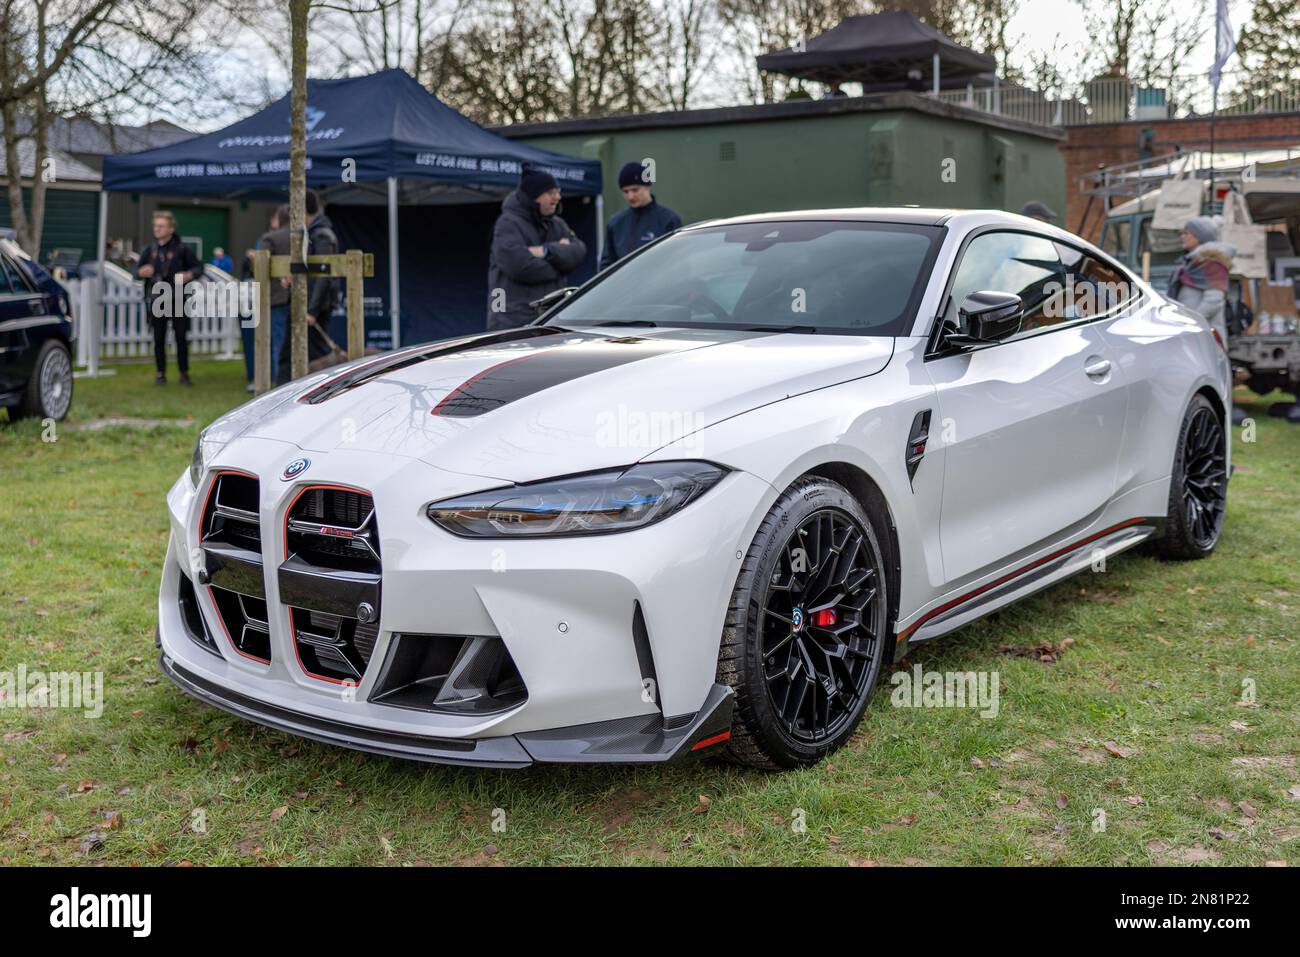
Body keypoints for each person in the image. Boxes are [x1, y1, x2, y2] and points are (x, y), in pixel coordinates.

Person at [486, 167, 587, 330]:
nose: (557, 197)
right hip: (512, 320)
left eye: (558, 192)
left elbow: (579, 252)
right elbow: (519, 266)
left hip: (550, 316)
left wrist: (546, 251)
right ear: (533, 197)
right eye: (551, 193)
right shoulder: (507, 224)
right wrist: (560, 266)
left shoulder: (556, 223)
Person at [134, 210, 203, 386]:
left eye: (161, 226)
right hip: (158, 298)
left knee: (181, 337)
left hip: (178, 298)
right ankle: (160, 373)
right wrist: (141, 272)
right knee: (158, 338)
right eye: (155, 226)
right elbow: (136, 271)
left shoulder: (182, 249)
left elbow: (199, 268)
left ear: (171, 229)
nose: (157, 229)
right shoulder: (150, 250)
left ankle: (184, 373)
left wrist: (188, 274)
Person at [277, 191, 338, 384]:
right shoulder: (310, 234)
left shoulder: (321, 235)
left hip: (312, 309)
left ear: (302, 210)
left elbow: (323, 276)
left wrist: (312, 310)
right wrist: (293, 278)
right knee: (291, 356)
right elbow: (311, 272)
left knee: (316, 359)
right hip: (305, 304)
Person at [598, 161, 683, 271]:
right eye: (625, 191)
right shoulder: (616, 223)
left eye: (635, 190)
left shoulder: (669, 220)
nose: (630, 196)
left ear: (647, 187)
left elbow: (677, 260)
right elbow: (607, 265)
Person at [1168, 215, 1235, 341]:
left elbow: (1214, 300)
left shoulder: (1212, 262)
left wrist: (1193, 323)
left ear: (1200, 236)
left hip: (1205, 335)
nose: (1183, 236)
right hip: (1192, 333)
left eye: (1187, 233)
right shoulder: (1192, 262)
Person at [257, 206, 292, 386]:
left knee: (279, 344)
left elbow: (260, 267)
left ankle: (281, 384)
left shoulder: (270, 238)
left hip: (277, 298)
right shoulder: (305, 239)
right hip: (301, 299)